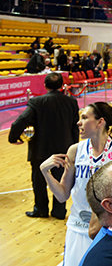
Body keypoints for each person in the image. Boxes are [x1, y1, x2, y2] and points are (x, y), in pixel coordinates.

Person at [39, 102, 112, 266]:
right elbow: (62, 195)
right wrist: (45, 171)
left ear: (100, 122)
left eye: (84, 118)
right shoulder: (75, 150)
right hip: (77, 227)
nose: (79, 123)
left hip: (107, 230)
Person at [8, 72, 80, 219]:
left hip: (40, 150)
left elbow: (20, 121)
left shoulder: (36, 102)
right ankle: (59, 212)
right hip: (64, 150)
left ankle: (40, 209)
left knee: (39, 182)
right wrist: (74, 149)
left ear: (45, 85)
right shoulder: (71, 102)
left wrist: (13, 138)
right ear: (62, 85)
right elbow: (75, 128)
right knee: (61, 181)